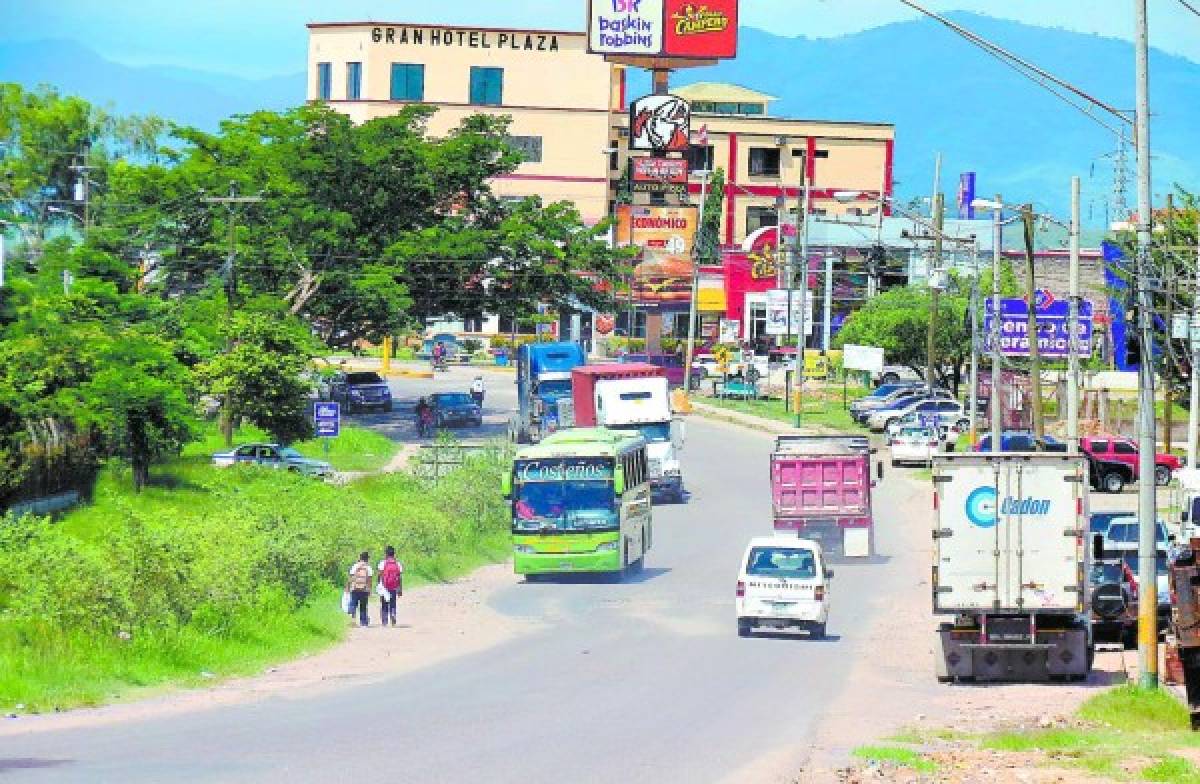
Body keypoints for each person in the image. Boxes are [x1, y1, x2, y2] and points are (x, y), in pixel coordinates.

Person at [377, 546, 403, 627]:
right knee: (393, 603)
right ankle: (393, 614)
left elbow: (379, 575)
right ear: (393, 553)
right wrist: (400, 589)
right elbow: (399, 577)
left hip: (384, 587)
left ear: (386, 554)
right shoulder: (397, 564)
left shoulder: (382, 563)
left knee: (384, 604)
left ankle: (385, 621)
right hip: (394, 587)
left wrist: (379, 584)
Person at [346, 551, 373, 627]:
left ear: (360, 558)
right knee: (363, 606)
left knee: (353, 603)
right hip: (364, 589)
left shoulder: (355, 566)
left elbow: (350, 578)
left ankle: (352, 619)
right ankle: (363, 622)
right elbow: (370, 580)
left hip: (354, 588)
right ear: (367, 559)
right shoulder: (368, 568)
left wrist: (348, 587)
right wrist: (369, 590)